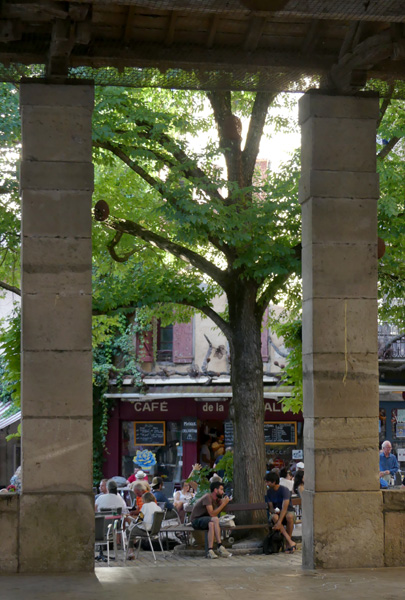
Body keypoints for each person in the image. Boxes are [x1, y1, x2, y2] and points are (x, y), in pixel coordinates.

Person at [190, 481, 232, 559]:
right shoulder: (207, 497)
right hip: (196, 520)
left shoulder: (216, 499)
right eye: (221, 489)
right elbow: (212, 514)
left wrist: (226, 501)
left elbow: (221, 504)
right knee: (215, 519)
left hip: (206, 520)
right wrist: (223, 504)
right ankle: (220, 545)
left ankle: (210, 550)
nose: (223, 492)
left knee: (211, 524)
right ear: (215, 490)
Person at [264, 471, 296, 553]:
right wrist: (274, 511)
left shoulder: (284, 490)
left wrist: (279, 522)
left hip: (288, 511)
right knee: (274, 517)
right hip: (277, 513)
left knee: (289, 516)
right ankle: (290, 541)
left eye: (268, 482)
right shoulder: (269, 492)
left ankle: (288, 543)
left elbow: (285, 507)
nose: (266, 484)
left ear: (273, 482)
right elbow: (271, 507)